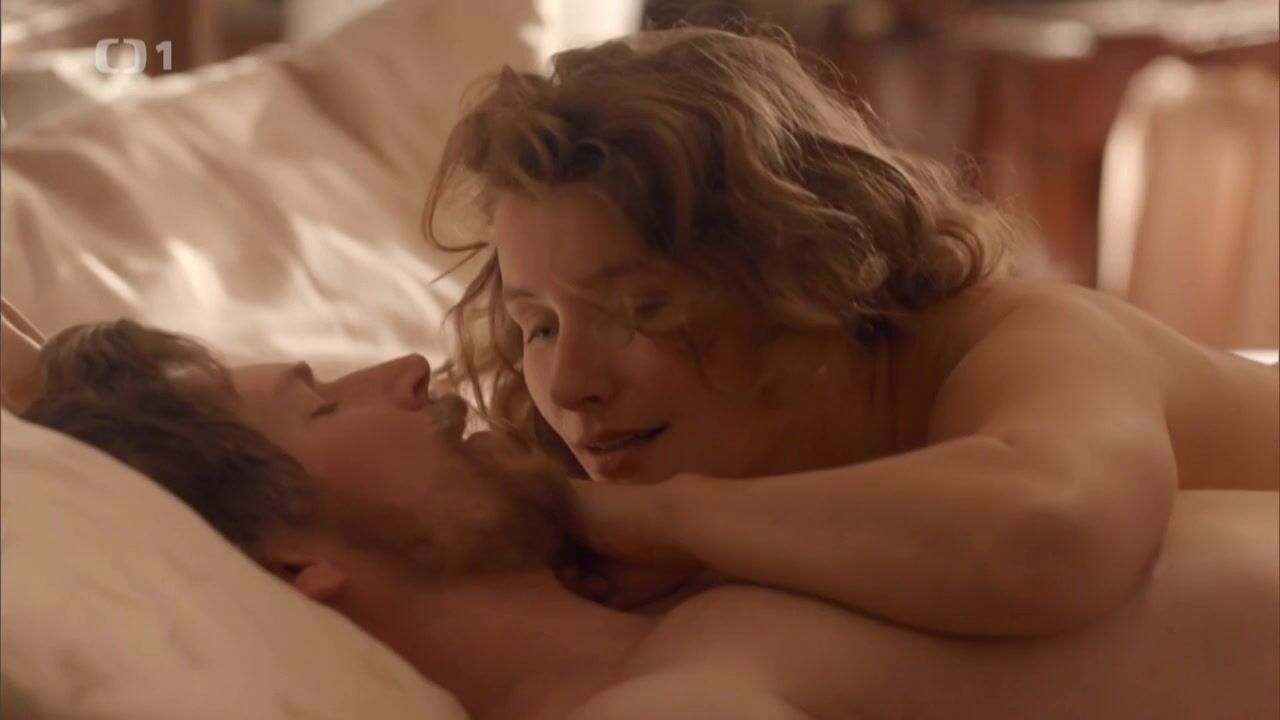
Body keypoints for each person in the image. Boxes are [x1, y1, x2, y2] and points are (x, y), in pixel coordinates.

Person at [424, 26, 1280, 628]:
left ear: (803, 266)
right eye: (538, 328)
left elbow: (1055, 535)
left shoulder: (1028, 341)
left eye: (641, 311)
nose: (572, 385)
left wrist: (670, 518)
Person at [13, 319, 1279, 720]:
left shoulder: (705, 563)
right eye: (322, 404)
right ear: (292, 561)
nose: (404, 365)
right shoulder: (674, 696)